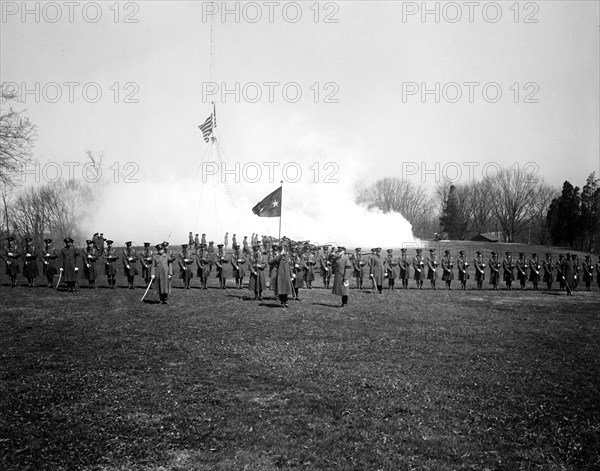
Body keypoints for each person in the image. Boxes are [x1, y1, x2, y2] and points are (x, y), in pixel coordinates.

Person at [269, 243, 294, 307]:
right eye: (283, 249)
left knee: (286, 288)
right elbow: (272, 261)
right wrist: (280, 254)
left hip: (286, 274)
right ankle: (282, 300)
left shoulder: (287, 257)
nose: (284, 250)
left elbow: (289, 266)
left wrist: (291, 274)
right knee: (280, 288)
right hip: (280, 274)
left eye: (285, 249)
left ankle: (286, 301)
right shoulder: (278, 256)